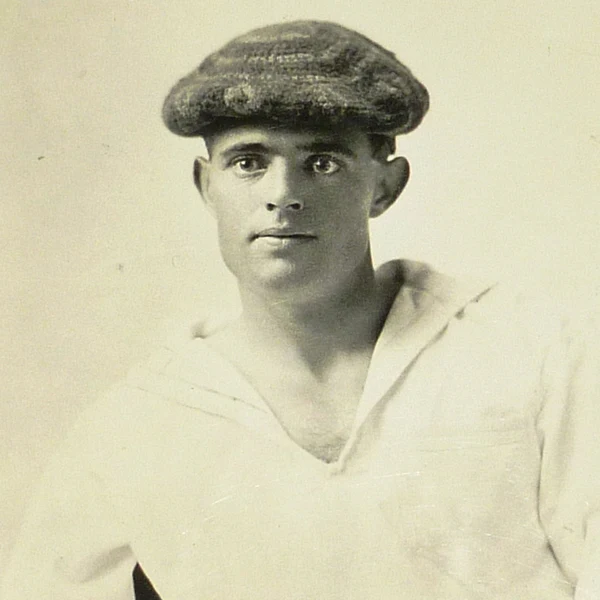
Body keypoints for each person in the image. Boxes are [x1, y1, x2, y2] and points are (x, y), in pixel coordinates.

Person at [2, 20, 599, 600]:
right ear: (206, 185)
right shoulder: (138, 421)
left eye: (323, 162)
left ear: (385, 186)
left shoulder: (529, 355)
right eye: (248, 162)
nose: (283, 194)